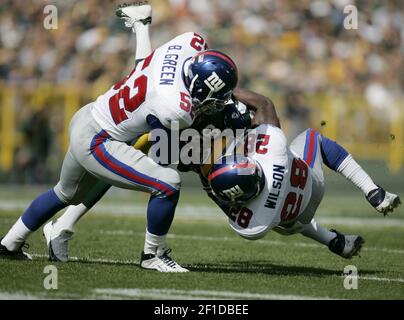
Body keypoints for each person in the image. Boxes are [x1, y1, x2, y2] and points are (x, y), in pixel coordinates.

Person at [0, 2, 239, 273]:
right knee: (168, 184)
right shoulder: (177, 107)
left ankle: (9, 243)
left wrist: (141, 28)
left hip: (88, 116)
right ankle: (152, 255)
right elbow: (163, 154)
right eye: (214, 100)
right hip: (99, 141)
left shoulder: (185, 46)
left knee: (63, 193)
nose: (214, 105)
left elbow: (143, 66)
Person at [205, 121, 401, 258]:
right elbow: (266, 108)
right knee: (314, 137)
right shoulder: (272, 153)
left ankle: (334, 241)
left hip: (294, 220)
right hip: (311, 185)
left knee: (281, 219)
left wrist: (211, 187)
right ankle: (374, 192)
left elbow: (231, 208)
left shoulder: (252, 227)